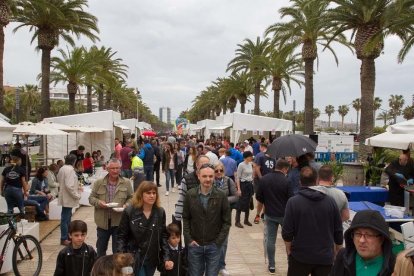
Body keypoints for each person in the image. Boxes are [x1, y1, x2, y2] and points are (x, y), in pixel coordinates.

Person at [282, 166, 343, 276]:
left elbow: (287, 231)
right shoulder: (330, 202)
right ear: (316, 180)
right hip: (324, 257)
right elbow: (338, 230)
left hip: (300, 256)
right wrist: (337, 250)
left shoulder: (293, 202)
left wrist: (288, 249)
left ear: (300, 182)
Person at [182, 163, 231, 276]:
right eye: (204, 176)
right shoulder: (190, 195)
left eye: (210, 176)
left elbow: (226, 222)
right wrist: (189, 239)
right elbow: (186, 218)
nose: (208, 179)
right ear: (198, 176)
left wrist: (218, 242)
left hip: (213, 246)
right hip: (195, 246)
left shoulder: (221, 195)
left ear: (214, 177)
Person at [117, 181, 169, 276]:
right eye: (148, 193)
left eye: (154, 193)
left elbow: (163, 236)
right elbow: (121, 236)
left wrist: (166, 257)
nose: (152, 196)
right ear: (141, 194)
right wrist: (122, 257)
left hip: (152, 257)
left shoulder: (160, 212)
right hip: (134, 257)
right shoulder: (129, 211)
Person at [89, 158, 134, 257]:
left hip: (119, 222)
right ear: (107, 169)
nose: (115, 171)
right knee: (101, 250)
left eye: (117, 168)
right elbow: (91, 198)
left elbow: (131, 197)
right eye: (112, 168)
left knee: (117, 251)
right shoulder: (99, 183)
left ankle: (115, 272)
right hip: (102, 223)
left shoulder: (126, 182)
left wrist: (127, 205)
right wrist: (99, 202)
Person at [330, 210, 396, 276]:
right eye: (358, 234)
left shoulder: (395, 266)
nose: (362, 240)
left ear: (381, 239)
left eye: (369, 235)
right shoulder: (343, 257)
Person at [256, 159, 293, 275]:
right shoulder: (287, 181)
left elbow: (259, 198)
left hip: (270, 214)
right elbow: (291, 199)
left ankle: (272, 265)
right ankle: (290, 262)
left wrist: (258, 213)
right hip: (285, 215)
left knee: (270, 241)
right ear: (285, 169)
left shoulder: (264, 179)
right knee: (289, 240)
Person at [214, 162, 238, 276]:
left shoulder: (229, 181)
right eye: (216, 171)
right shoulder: (210, 181)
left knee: (223, 242)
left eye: (221, 170)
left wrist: (223, 200)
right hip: (212, 217)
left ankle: (222, 266)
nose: (219, 173)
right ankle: (213, 264)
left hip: (225, 217)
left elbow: (235, 196)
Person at [173, 155, 210, 223]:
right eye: (203, 164)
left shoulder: (212, 179)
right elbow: (182, 199)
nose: (205, 166)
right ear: (197, 165)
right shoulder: (186, 179)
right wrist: (177, 219)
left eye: (207, 164)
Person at [57, 154, 82, 246]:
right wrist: (76, 195)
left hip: (65, 196)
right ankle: (64, 238)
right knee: (65, 218)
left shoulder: (62, 168)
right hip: (68, 196)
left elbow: (60, 180)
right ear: (74, 161)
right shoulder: (70, 170)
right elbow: (69, 185)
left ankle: (66, 236)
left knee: (66, 217)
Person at [253, 143, 276, 224]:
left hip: (270, 181)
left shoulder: (273, 158)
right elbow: (257, 168)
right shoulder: (261, 157)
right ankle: (257, 215)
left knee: (268, 199)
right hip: (262, 181)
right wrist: (261, 178)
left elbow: (274, 169)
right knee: (260, 199)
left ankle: (264, 214)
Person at [235, 151, 254, 228]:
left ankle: (246, 220)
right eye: (250, 156)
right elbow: (238, 177)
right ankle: (237, 221)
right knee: (241, 202)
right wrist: (239, 189)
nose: (252, 157)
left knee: (249, 201)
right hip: (243, 185)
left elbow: (251, 174)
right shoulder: (241, 165)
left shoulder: (250, 164)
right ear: (246, 157)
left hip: (249, 185)